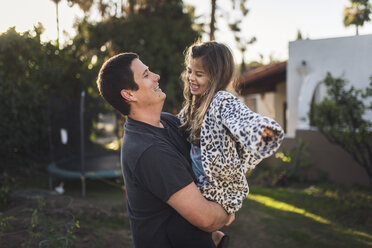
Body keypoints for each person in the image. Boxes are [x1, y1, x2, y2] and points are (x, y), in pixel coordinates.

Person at [96, 52, 234, 248]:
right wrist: (228, 210)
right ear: (129, 94)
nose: (156, 76)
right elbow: (206, 218)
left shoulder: (168, 122)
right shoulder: (148, 150)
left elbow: (207, 154)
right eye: (146, 75)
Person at [178, 41, 284, 245]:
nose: (191, 78)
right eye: (190, 71)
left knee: (187, 224)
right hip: (200, 181)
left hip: (219, 185)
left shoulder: (222, 101)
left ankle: (215, 235)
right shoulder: (195, 105)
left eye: (199, 74)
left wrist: (260, 130)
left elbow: (242, 118)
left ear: (217, 76)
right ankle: (215, 236)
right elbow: (178, 123)